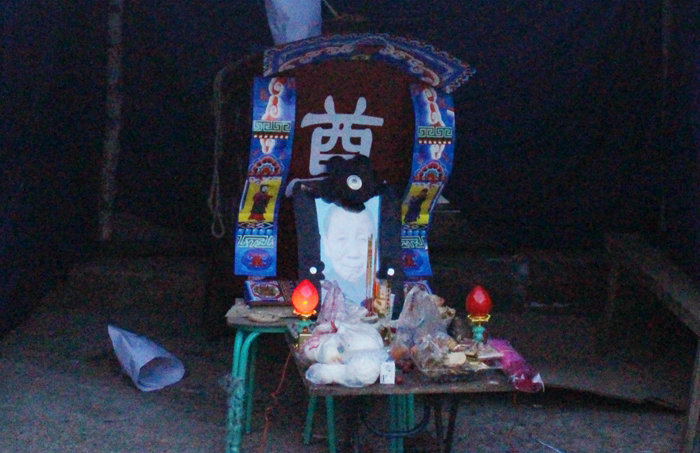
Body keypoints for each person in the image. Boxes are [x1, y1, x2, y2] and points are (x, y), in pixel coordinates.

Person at [319, 202, 377, 304]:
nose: (353, 253)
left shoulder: (383, 290)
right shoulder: (316, 289)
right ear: (326, 245)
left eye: (362, 239)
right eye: (341, 239)